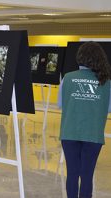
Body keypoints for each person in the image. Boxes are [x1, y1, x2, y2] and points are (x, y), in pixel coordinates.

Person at [58, 42, 111, 198]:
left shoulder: (67, 78)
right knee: (87, 177)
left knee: (72, 175)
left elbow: (60, 104)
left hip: (70, 133)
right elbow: (108, 108)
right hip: (93, 135)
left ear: (80, 57)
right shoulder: (106, 82)